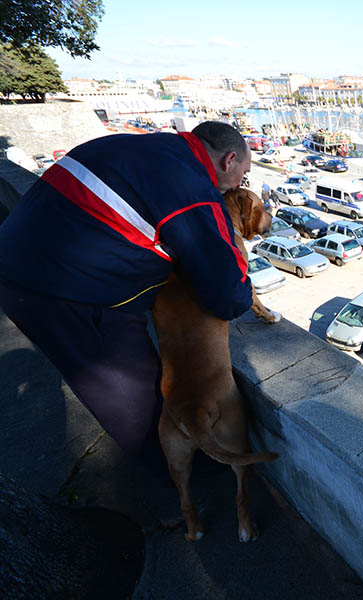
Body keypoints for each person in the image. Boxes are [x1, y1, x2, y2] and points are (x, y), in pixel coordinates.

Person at [0, 121, 254, 480]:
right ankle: (176, 487)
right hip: (68, 292)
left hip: (20, 264)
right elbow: (229, 295)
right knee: (133, 395)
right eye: (242, 176)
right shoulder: (191, 184)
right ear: (229, 160)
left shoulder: (135, 147)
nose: (238, 186)